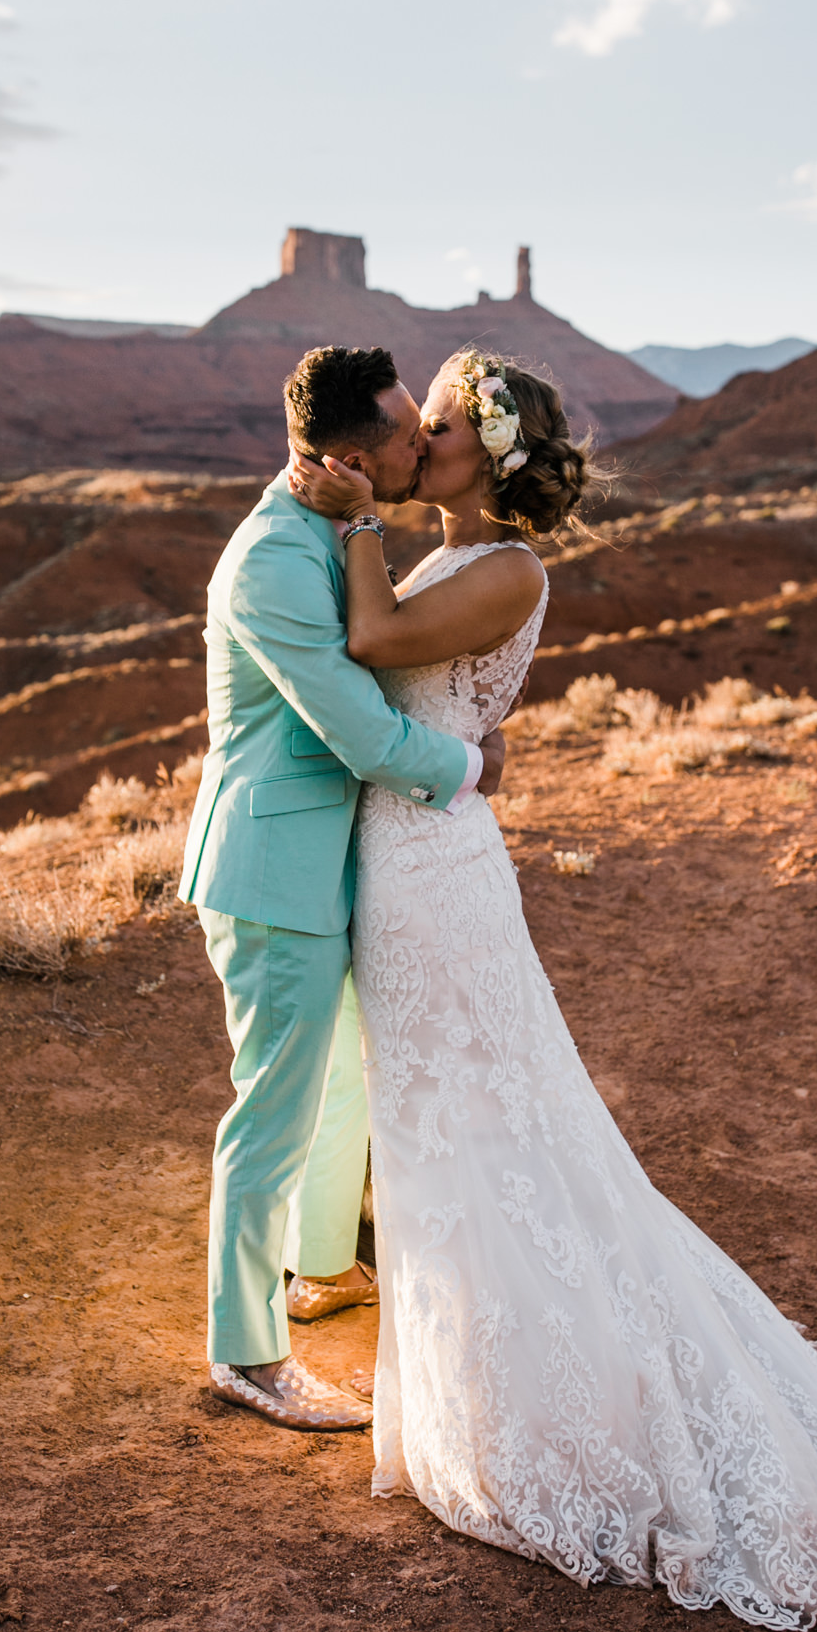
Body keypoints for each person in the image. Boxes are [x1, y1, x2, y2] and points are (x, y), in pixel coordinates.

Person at [287, 350, 817, 1632]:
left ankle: (531, 1406)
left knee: (479, 1125)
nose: (423, 430)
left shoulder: (509, 568)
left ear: (492, 452)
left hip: (433, 882)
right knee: (443, 1124)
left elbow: (371, 644)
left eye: (447, 422)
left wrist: (350, 516)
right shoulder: (455, 552)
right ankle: (466, 1357)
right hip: (407, 860)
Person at [179, 345, 505, 1433]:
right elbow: (357, 731)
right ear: (345, 459)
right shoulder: (274, 559)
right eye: (408, 435)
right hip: (273, 873)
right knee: (270, 1113)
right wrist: (468, 767)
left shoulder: (327, 529)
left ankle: (317, 1268)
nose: (424, 445)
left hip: (319, 864)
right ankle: (245, 1352)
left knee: (329, 1092)